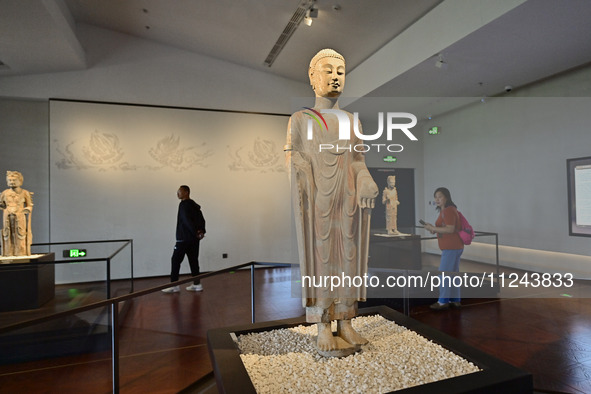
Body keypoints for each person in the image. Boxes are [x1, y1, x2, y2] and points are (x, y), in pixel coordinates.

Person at [285, 48, 378, 355]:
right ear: (313, 77)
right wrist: (299, 167)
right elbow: (292, 154)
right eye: (328, 70)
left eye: (341, 71)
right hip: (318, 198)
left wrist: (365, 179)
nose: (335, 77)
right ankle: (324, 323)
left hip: (347, 198)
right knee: (323, 257)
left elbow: (358, 160)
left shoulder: (353, 121)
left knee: (348, 256)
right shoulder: (300, 119)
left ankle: (346, 320)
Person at [424, 187, 464, 310]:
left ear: (446, 197)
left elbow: (450, 229)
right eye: (435, 197)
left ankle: (442, 302)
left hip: (451, 247)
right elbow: (445, 228)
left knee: (444, 275)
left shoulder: (448, 211)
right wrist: (434, 229)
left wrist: (434, 228)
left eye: (440, 196)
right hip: (454, 246)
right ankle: (455, 299)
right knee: (453, 274)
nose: (437, 199)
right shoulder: (448, 210)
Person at [162, 185, 206, 293]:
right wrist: (201, 232)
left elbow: (186, 221)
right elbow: (202, 220)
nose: (177, 194)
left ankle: (174, 285)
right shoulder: (195, 206)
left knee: (175, 260)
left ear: (186, 192)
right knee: (193, 261)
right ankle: (197, 284)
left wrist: (194, 232)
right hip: (194, 240)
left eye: (179, 192)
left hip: (183, 239)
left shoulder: (183, 205)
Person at [0, 171, 34, 257]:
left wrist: (27, 209)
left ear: (20, 181)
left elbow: (29, 205)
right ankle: (8, 252)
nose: (12, 182)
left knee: (20, 234)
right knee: (7, 234)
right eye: (10, 180)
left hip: (19, 216)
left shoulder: (24, 193)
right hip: (7, 216)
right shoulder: (5, 193)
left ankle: (20, 253)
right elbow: (2, 204)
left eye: (14, 180)